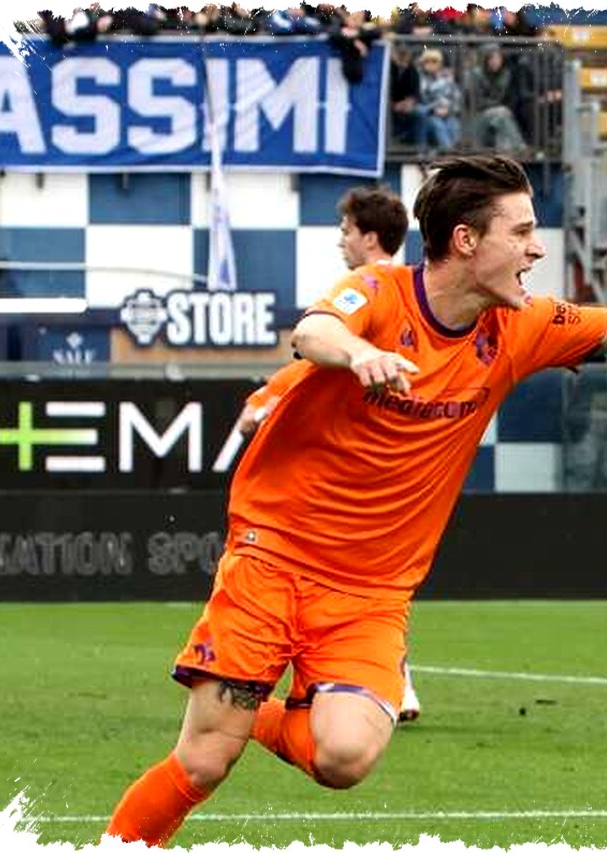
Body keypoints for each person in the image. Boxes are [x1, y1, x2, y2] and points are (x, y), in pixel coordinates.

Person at [104, 155, 607, 847]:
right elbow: (315, 330)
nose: (537, 249)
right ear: (467, 240)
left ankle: (250, 715)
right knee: (202, 762)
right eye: (523, 231)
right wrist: (362, 352)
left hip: (371, 591)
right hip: (272, 557)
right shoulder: (380, 291)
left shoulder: (521, 326)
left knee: (345, 757)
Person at [234, 186, 425, 724]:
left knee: (332, 582)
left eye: (346, 231)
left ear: (369, 237)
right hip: (401, 466)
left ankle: (285, 692)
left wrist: (267, 398)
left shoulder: (367, 291)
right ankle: (389, 686)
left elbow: (313, 354)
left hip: (350, 466)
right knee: (378, 585)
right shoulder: (422, 294)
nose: (341, 241)